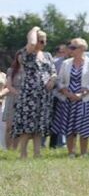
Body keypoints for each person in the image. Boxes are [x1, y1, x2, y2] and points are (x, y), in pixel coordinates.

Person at [12, 28, 58, 158]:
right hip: (29, 95)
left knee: (39, 126)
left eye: (45, 41)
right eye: (40, 41)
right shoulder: (25, 53)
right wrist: (34, 29)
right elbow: (31, 44)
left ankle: (37, 153)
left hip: (44, 96)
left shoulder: (48, 55)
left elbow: (53, 71)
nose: (43, 43)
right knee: (27, 125)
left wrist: (52, 80)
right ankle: (23, 153)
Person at [53, 38, 89, 157]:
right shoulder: (66, 63)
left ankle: (84, 153)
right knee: (69, 127)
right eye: (70, 47)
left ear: (82, 49)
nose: (70, 50)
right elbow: (59, 80)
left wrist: (81, 94)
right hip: (68, 99)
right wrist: (67, 93)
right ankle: (71, 152)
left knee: (85, 128)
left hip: (85, 99)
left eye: (73, 47)